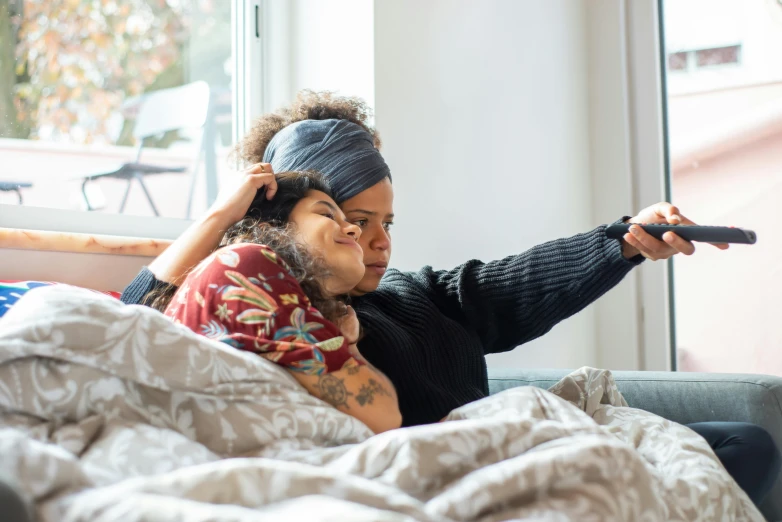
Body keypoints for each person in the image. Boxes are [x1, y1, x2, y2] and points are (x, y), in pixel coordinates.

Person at [121, 91, 780, 505]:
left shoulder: (418, 295)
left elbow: (513, 283)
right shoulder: (261, 307)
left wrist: (625, 241)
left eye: (387, 223)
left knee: (743, 444)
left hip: (520, 458)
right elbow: (134, 329)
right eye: (350, 217)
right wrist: (215, 219)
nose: (372, 240)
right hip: (430, 487)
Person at [146, 170, 401, 435]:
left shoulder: (303, 311)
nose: (354, 229)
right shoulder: (246, 264)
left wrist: (348, 344)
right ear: (271, 227)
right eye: (327, 215)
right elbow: (383, 414)